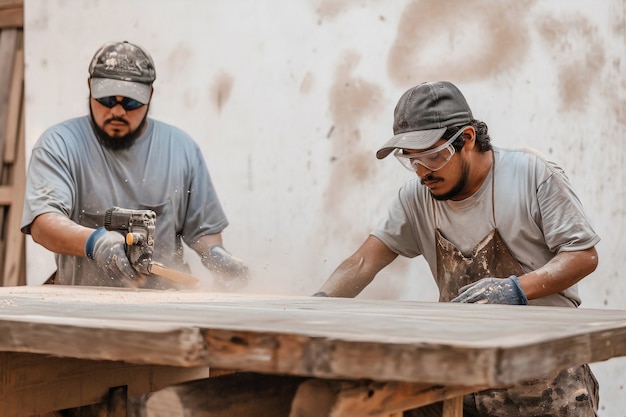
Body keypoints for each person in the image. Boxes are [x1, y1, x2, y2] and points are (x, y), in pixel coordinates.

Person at [314, 81, 599, 416]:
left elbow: (582, 255)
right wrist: (319, 304)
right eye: (411, 160)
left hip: (543, 378)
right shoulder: (415, 199)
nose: (422, 173)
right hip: (462, 380)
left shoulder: (532, 176)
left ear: (466, 138)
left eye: (433, 157)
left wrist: (515, 289)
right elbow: (364, 261)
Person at [21, 40, 248, 290]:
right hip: (87, 308)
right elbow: (44, 224)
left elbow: (203, 231)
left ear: (150, 95)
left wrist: (216, 255)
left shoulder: (182, 149)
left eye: (130, 102)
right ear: (89, 87)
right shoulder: (60, 145)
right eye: (106, 99)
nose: (117, 111)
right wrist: (95, 242)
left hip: (168, 307)